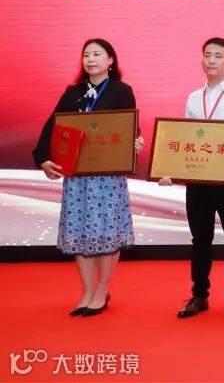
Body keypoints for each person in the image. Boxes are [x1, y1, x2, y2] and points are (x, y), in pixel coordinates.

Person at [33, 38, 144, 317]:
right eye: (86, 55)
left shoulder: (121, 90)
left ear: (110, 60)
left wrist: (135, 141)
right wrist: (42, 158)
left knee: (107, 233)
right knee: (80, 232)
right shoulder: (73, 92)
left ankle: (102, 289)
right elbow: (53, 124)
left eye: (96, 54)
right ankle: (87, 290)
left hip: (107, 177)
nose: (90, 59)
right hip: (78, 176)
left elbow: (130, 127)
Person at [161, 37, 224, 319]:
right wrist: (171, 169)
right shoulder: (194, 97)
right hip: (198, 180)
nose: (211, 60)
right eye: (207, 55)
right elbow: (187, 141)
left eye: (218, 55)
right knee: (200, 238)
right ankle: (199, 294)